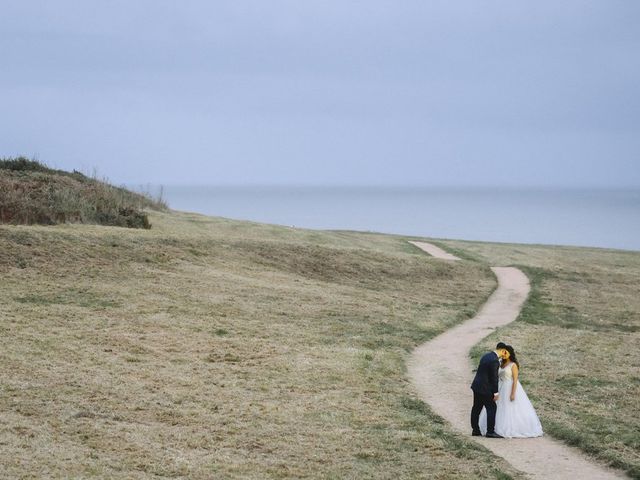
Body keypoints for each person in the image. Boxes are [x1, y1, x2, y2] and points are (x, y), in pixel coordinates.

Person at [479, 345, 543, 438]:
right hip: (500, 387)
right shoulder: (500, 363)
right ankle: (492, 428)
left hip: (510, 387)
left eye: (506, 352)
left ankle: (512, 428)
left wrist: (513, 393)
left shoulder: (513, 365)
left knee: (509, 407)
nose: (504, 354)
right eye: (503, 352)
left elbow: (515, 380)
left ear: (510, 353)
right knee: (496, 407)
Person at [470, 342, 509, 438]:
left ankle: (475, 430)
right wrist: (496, 393)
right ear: (503, 350)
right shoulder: (495, 361)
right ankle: (490, 431)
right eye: (505, 352)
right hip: (485, 388)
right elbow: (494, 378)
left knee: (476, 408)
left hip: (477, 386)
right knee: (492, 408)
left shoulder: (486, 356)